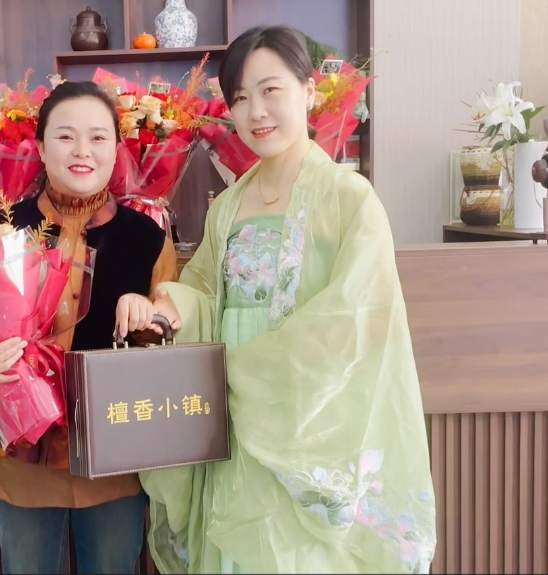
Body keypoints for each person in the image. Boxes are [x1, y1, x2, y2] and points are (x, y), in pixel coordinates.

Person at [114, 25, 437, 573]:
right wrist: (166, 306)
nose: (256, 111)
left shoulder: (348, 197)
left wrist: (250, 374)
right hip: (231, 419)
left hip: (298, 417)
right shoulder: (228, 205)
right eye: (240, 98)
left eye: (270, 91)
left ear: (308, 91)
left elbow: (358, 316)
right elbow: (205, 292)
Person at [0, 80, 179, 574]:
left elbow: (172, 340)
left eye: (98, 137)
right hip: (21, 453)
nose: (82, 150)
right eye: (66, 136)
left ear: (116, 149)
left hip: (114, 454)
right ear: (41, 147)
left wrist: (148, 319)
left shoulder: (147, 238)